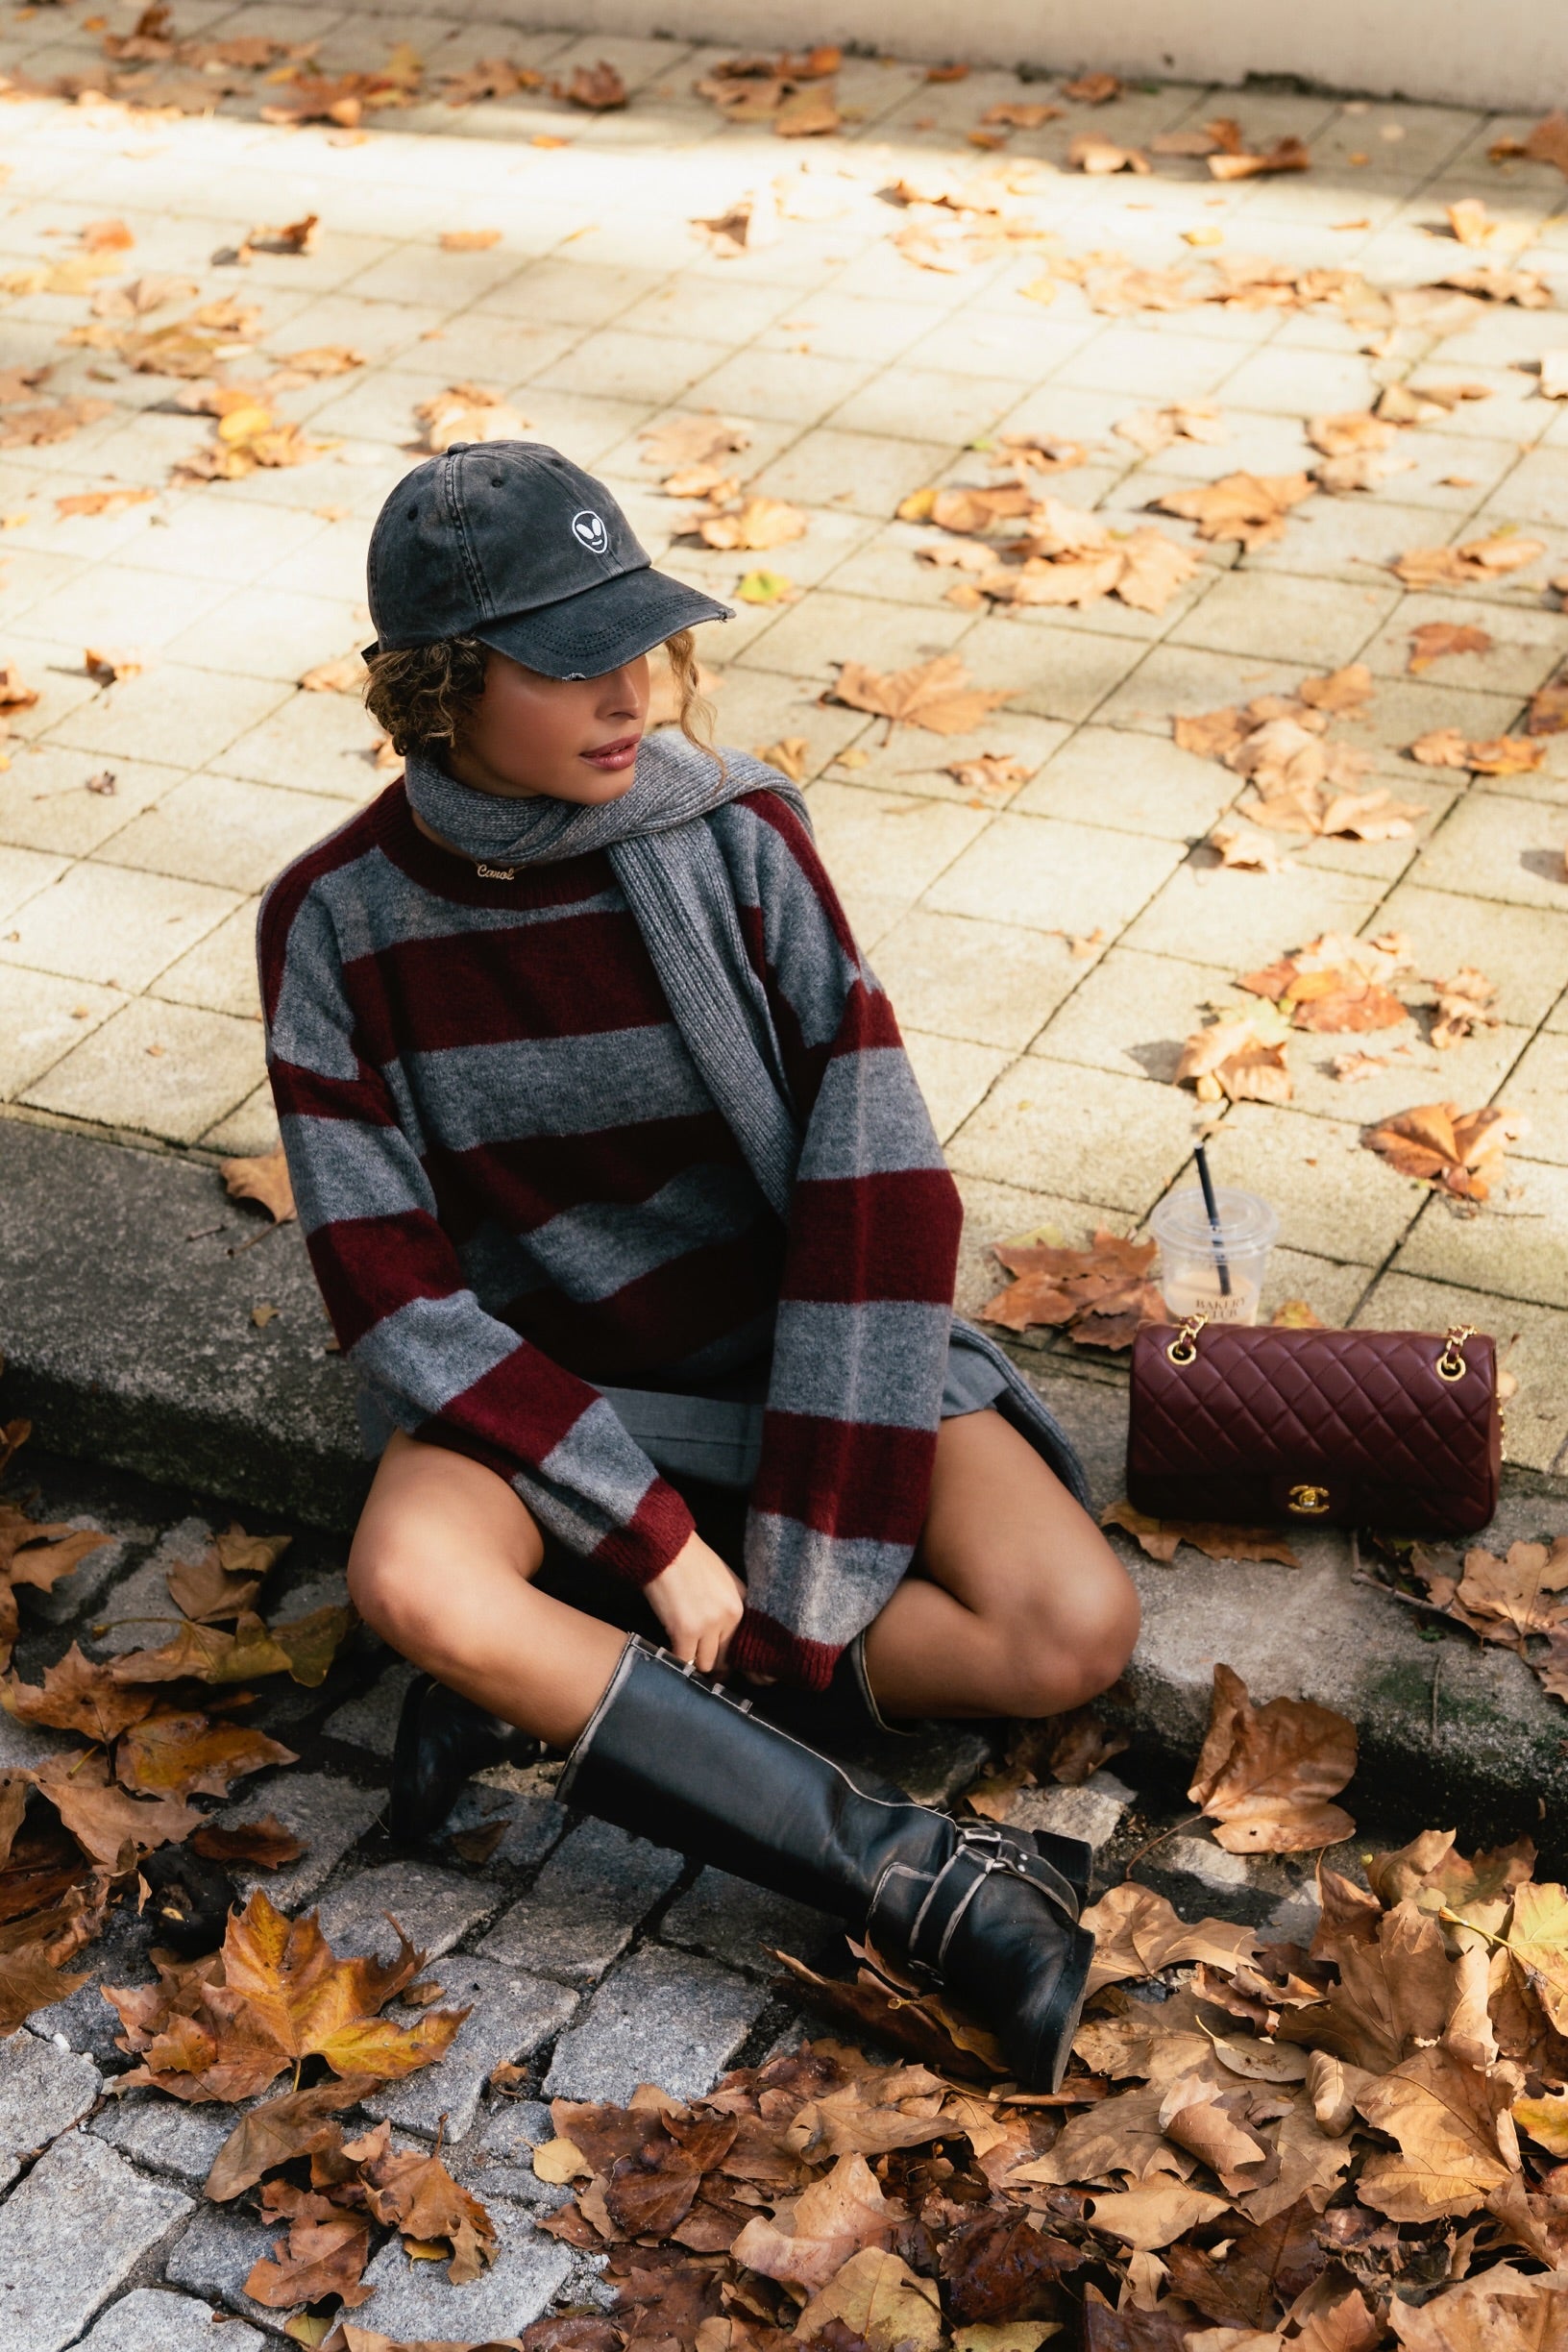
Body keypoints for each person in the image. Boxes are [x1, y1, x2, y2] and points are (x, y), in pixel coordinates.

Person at [258, 441, 1139, 2090]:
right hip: (544, 1400)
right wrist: (645, 1525)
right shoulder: (336, 923)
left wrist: (802, 1563)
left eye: (642, 644)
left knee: (1068, 1630)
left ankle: (559, 1672)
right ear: (443, 686)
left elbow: (880, 1185)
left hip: (794, 1356)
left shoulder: (736, 838)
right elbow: (392, 1292)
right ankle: (924, 1880)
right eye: (568, 663)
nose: (631, 694)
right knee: (414, 1581)